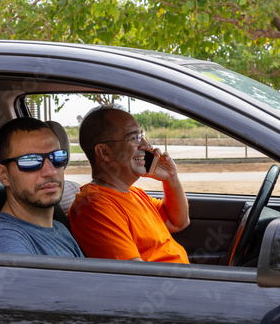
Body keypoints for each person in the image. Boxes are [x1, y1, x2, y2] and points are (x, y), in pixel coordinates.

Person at [68, 105, 190, 263]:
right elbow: (135, 277)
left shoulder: (134, 193)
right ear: (104, 152)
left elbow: (178, 222)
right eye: (134, 139)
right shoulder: (96, 207)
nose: (147, 146)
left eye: (142, 136)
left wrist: (170, 178)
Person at [0, 117, 83, 257]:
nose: (51, 171)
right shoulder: (3, 244)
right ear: (3, 175)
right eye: (30, 161)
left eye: (57, 157)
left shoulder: (58, 228)